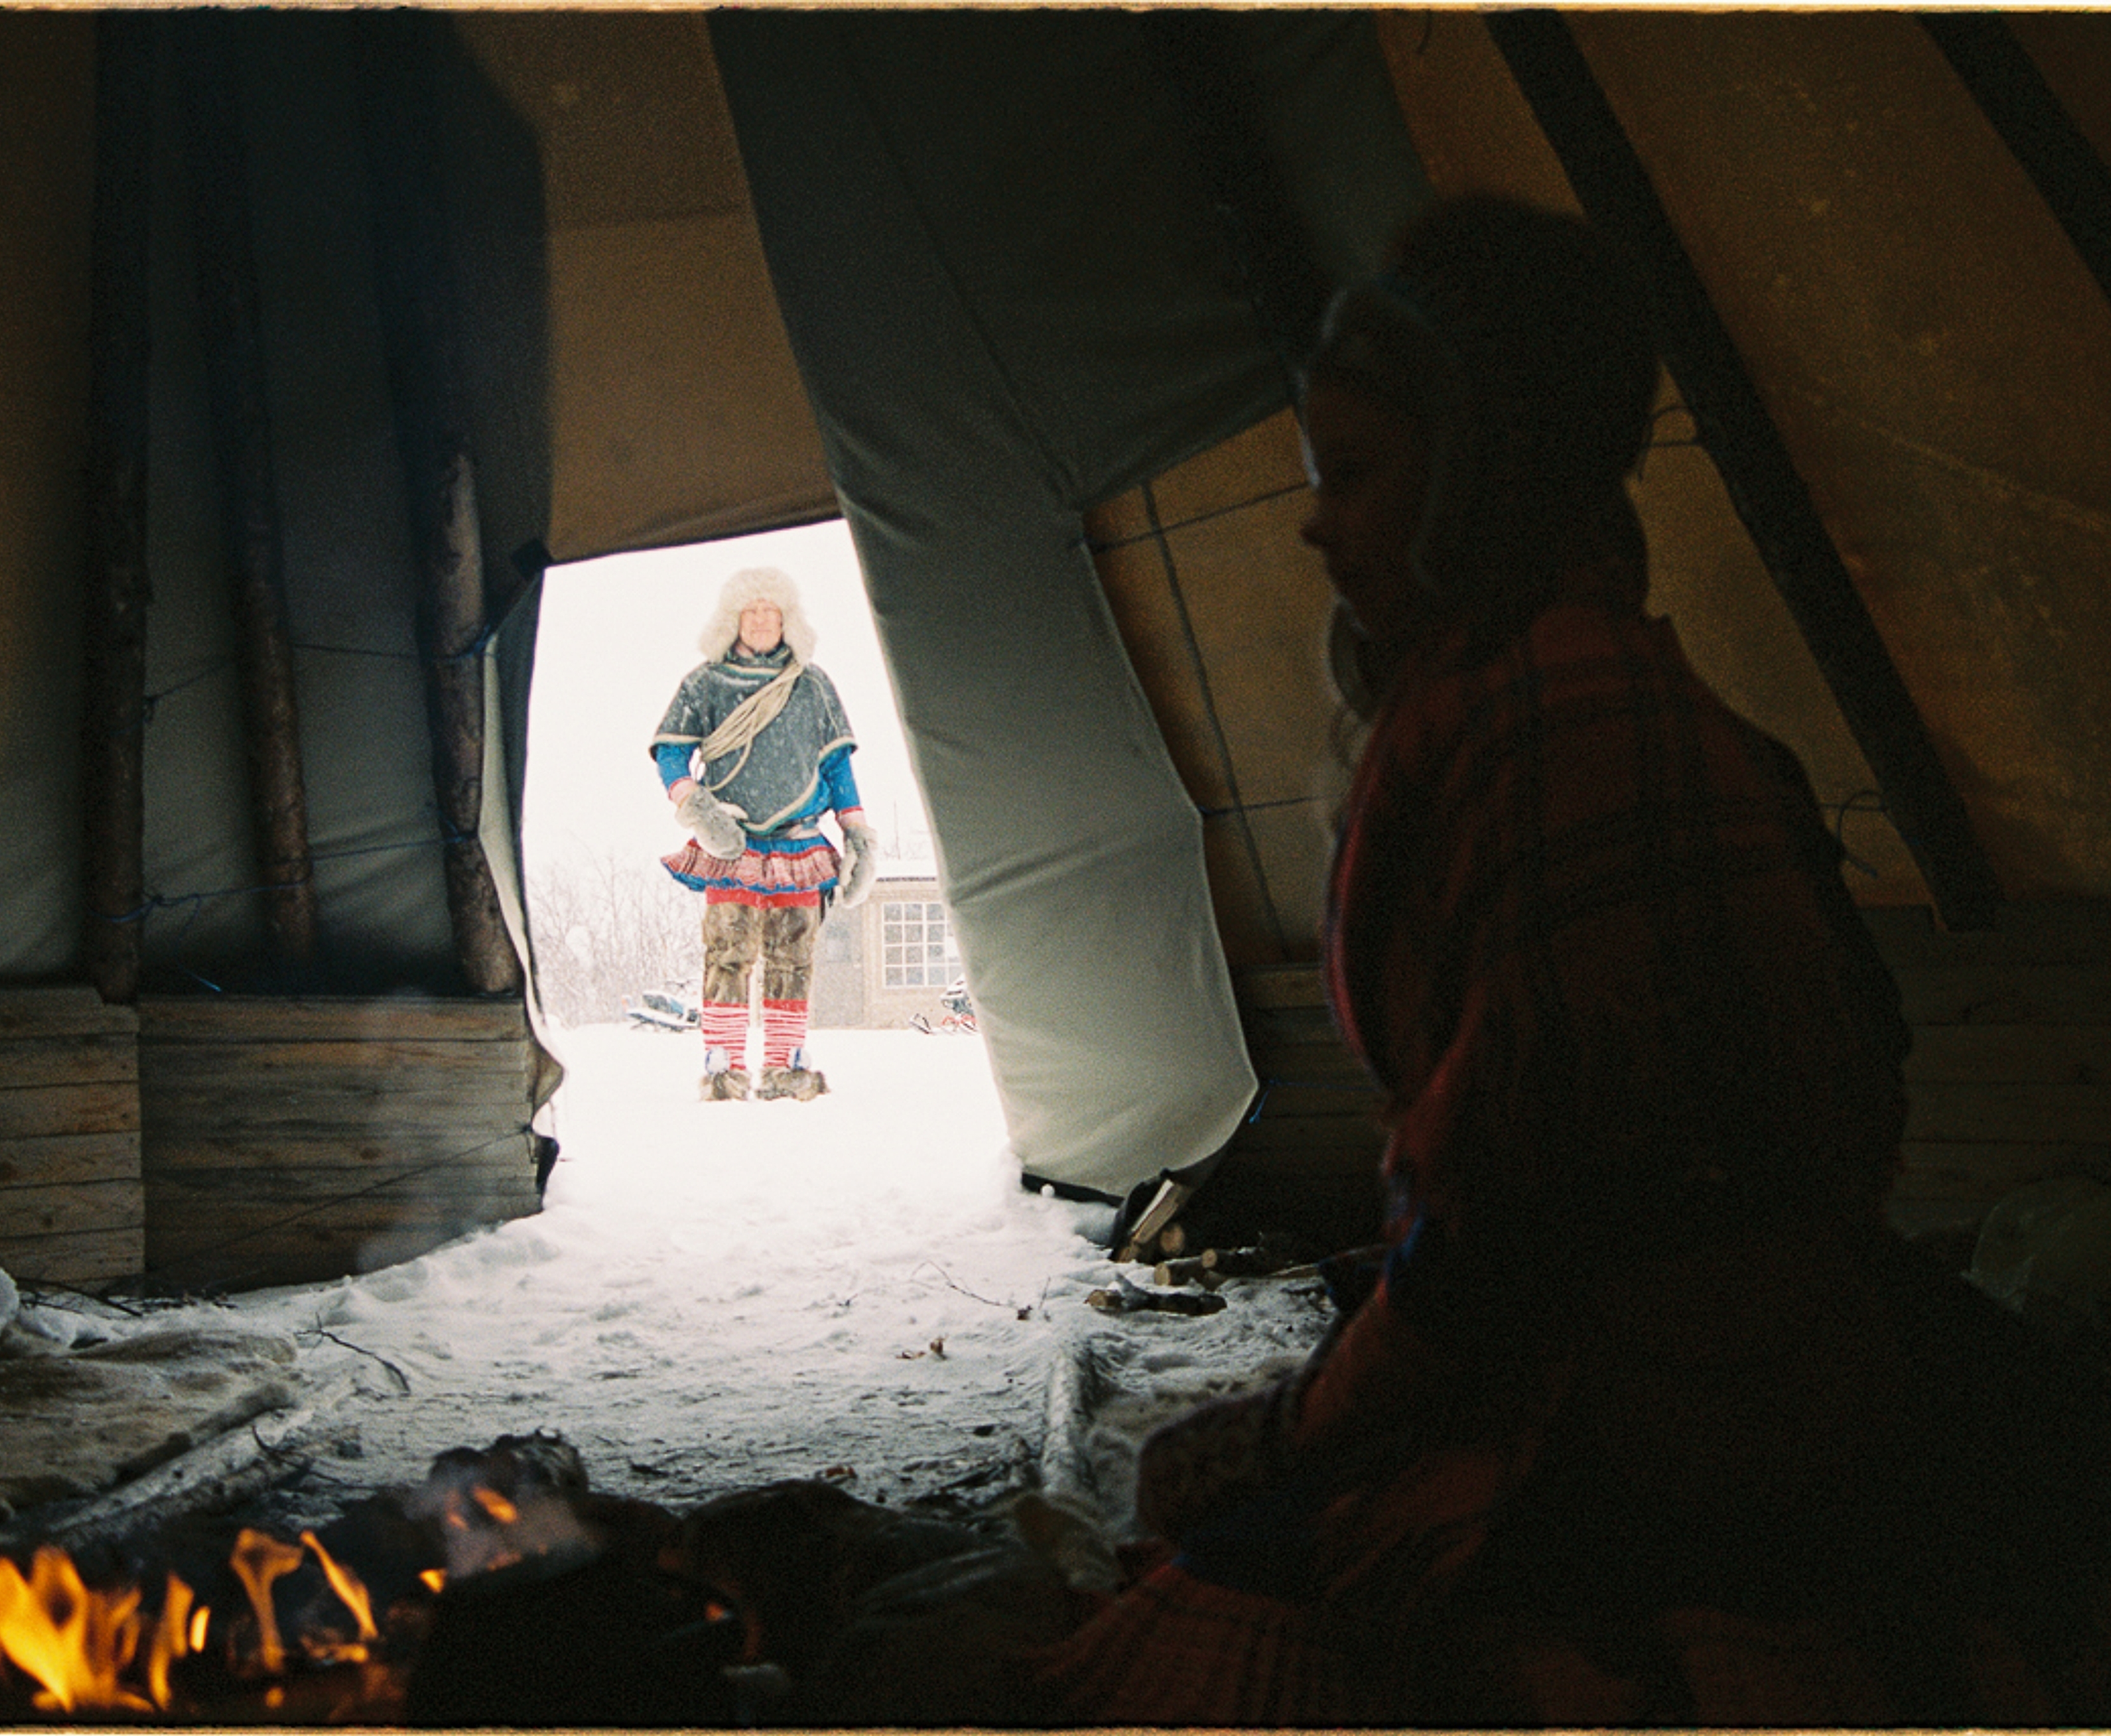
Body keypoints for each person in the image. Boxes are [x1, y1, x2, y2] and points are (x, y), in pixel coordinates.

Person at [1030, 194, 2111, 1725]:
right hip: (1661, 1335)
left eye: (1354, 474)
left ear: (1475, 483)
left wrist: (1296, 1433)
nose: (1314, 521)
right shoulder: (1543, 686)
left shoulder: (1559, 724)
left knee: (1214, 1625)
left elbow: (1514, 1220)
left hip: (1681, 1403)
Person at [652, 566, 877, 1101]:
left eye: (769, 611)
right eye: (750, 611)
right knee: (727, 953)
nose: (759, 620)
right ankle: (723, 1065)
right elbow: (670, 753)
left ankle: (785, 1064)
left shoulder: (812, 684)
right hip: (733, 845)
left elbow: (838, 768)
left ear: (786, 620)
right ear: (733, 619)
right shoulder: (704, 682)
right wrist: (696, 806)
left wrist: (857, 832)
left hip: (801, 844)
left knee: (793, 957)